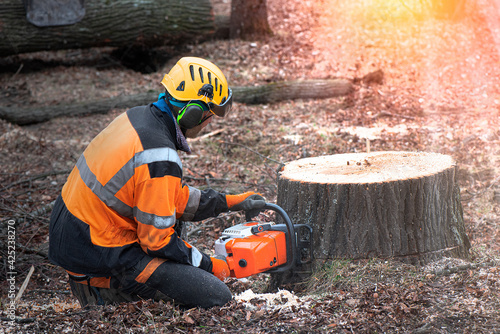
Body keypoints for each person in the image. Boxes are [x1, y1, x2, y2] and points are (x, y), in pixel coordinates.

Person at [48, 57, 266, 309]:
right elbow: (157, 242)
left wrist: (229, 202)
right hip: (100, 257)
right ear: (193, 111)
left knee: (186, 256)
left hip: (84, 240)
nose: (210, 121)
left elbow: (168, 198)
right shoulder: (159, 155)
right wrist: (209, 264)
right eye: (210, 113)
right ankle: (106, 295)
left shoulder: (137, 118)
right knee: (217, 295)